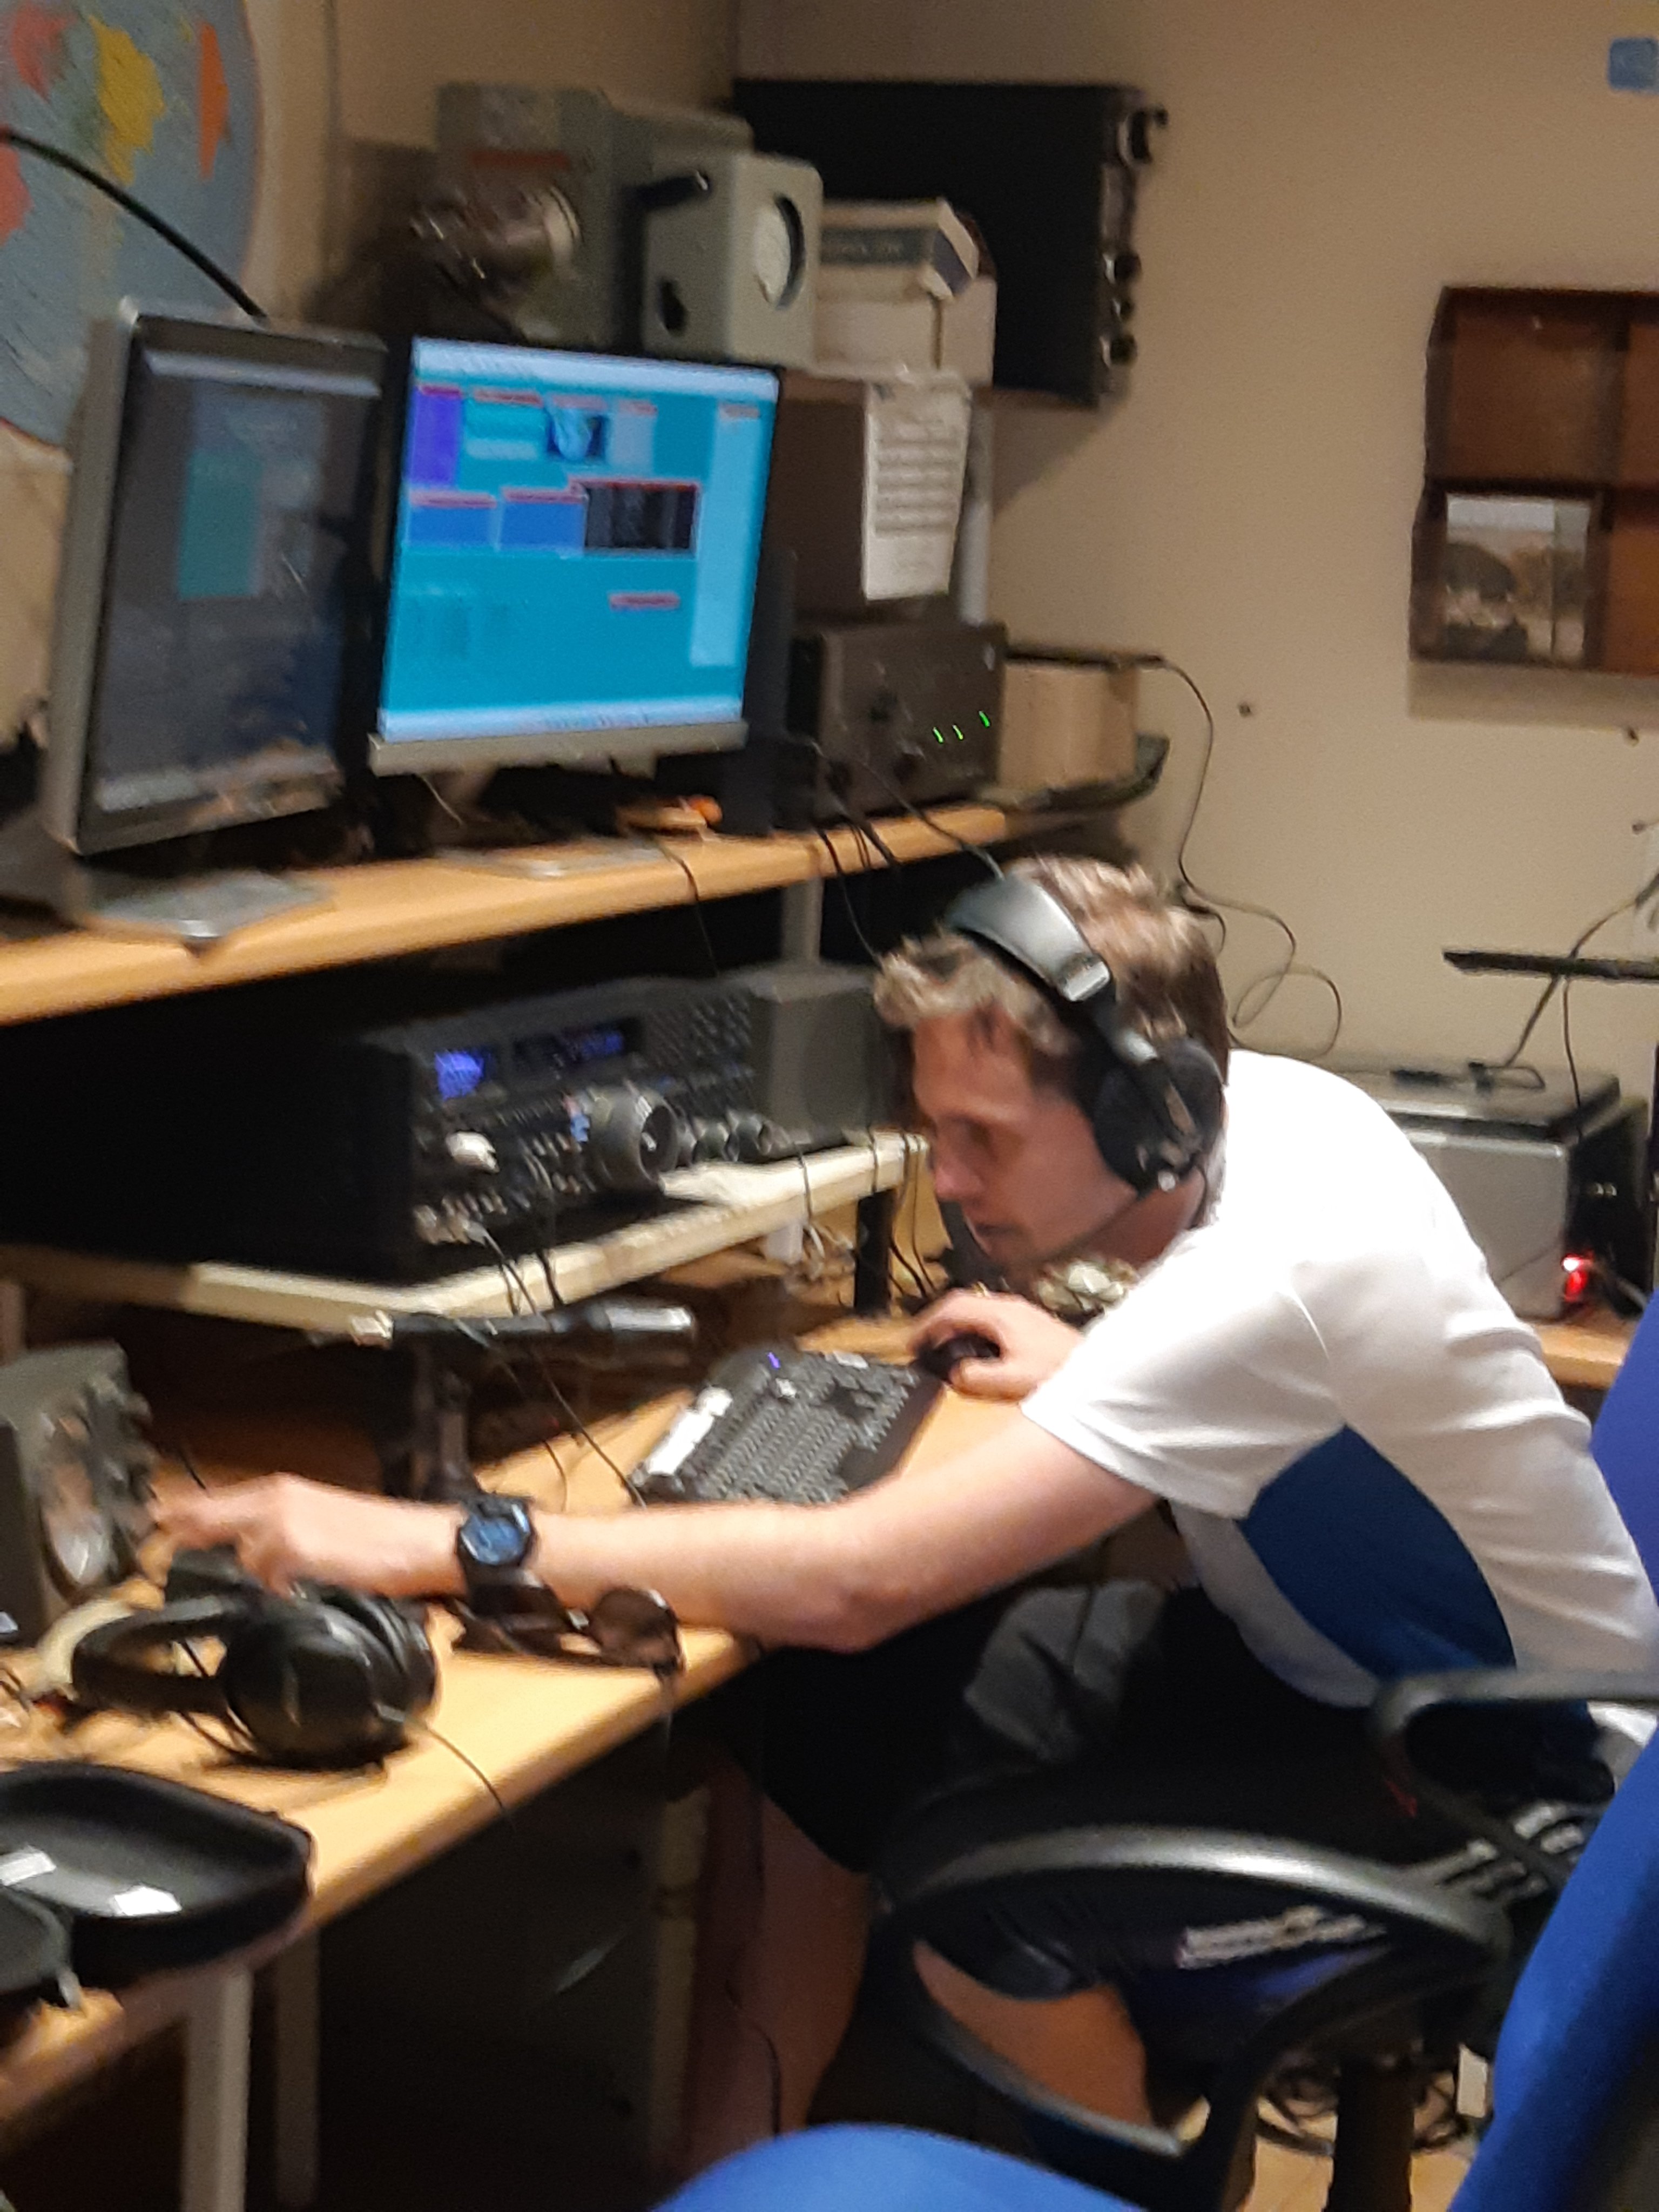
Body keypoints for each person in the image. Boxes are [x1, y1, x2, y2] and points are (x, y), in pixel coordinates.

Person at [161, 856, 1659, 2164]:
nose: (949, 1180)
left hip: (1509, 1772)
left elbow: (856, 1575)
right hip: (1331, 1673)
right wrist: (1097, 1368)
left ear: (1150, 1114)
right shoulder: (1261, 1116)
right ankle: (733, 2165)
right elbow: (1263, 1388)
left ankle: (1124, 2191)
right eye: (936, 1129)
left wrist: (449, 1540)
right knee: (831, 1706)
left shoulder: (1269, 1283)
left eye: (985, 1138)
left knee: (979, 1907)